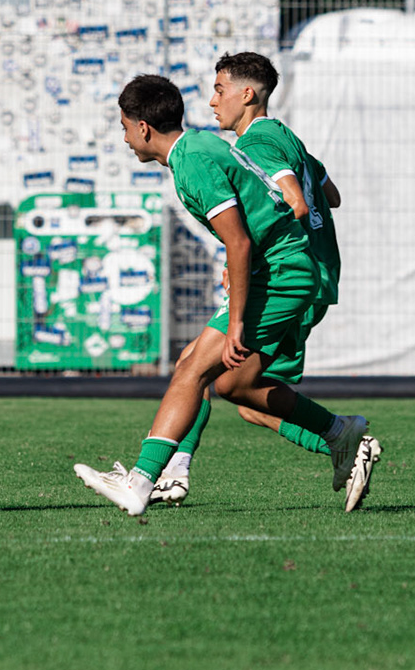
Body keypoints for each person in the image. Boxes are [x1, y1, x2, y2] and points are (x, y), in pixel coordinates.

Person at [74, 74, 377, 516]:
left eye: (124, 127)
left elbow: (239, 241)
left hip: (281, 273)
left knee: (194, 370)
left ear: (143, 127)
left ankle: (143, 480)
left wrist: (235, 324)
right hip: (283, 269)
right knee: (229, 383)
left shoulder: (195, 161)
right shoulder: (200, 147)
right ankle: (338, 432)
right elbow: (313, 198)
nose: (124, 139)